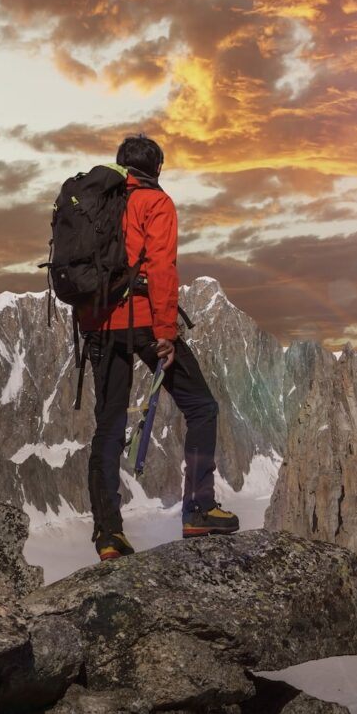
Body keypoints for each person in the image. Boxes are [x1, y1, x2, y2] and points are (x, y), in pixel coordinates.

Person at [78, 134, 239, 561]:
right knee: (201, 406)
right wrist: (166, 330)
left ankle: (108, 535)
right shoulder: (155, 203)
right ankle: (199, 509)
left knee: (108, 426)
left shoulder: (94, 201)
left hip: (98, 323)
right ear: (157, 168)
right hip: (144, 320)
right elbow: (162, 267)